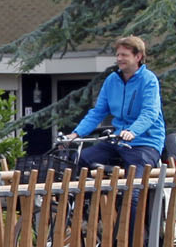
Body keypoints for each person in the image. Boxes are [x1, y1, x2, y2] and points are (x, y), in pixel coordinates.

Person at [70, 36, 165, 169]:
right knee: (78, 160)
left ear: (138, 57)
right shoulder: (111, 80)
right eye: (118, 55)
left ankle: (131, 184)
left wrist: (132, 131)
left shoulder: (148, 80)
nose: (119, 59)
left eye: (124, 55)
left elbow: (150, 112)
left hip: (145, 142)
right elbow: (97, 112)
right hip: (118, 141)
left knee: (135, 175)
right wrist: (76, 134)